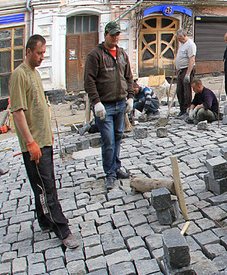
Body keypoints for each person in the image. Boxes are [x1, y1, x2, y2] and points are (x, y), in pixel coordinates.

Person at [9, 35, 80, 249]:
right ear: (29, 51)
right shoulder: (19, 75)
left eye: (43, 53)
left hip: (43, 140)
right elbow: (18, 113)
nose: (41, 57)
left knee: (43, 183)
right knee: (46, 187)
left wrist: (47, 134)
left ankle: (44, 220)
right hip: (34, 144)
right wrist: (30, 142)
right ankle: (62, 229)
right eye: (39, 53)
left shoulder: (35, 74)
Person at [84, 21, 135, 190]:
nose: (115, 37)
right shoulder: (95, 55)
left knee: (118, 137)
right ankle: (110, 174)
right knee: (108, 140)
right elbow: (89, 80)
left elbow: (128, 77)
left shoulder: (121, 54)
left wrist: (130, 97)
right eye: (112, 35)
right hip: (104, 106)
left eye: (117, 35)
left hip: (120, 103)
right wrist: (96, 102)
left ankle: (117, 167)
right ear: (105, 35)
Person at [174, 30, 196, 117]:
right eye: (178, 39)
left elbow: (191, 59)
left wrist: (188, 73)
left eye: (180, 38)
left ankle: (187, 109)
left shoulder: (190, 45)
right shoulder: (182, 44)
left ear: (184, 35)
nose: (179, 40)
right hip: (180, 70)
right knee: (179, 90)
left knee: (186, 90)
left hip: (187, 69)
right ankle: (182, 109)